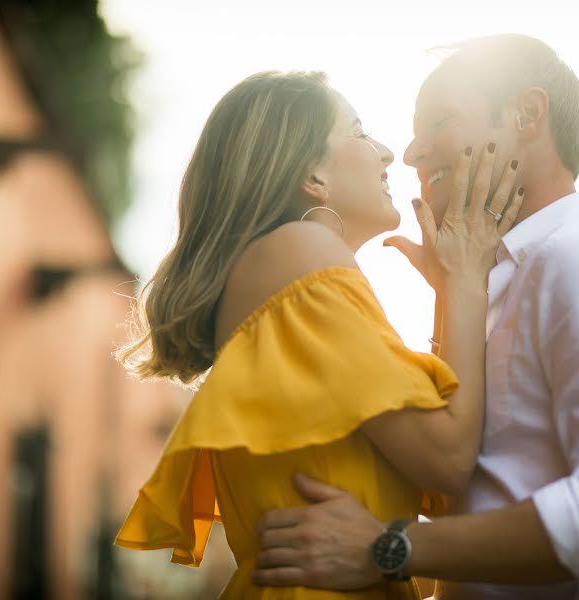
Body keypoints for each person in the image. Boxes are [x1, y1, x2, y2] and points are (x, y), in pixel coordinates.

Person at [254, 34, 579, 600]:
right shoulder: (499, 287)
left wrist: (389, 546)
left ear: (527, 115)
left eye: (439, 121)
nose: (411, 152)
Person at [113, 69, 523, 599]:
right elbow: (448, 459)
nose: (386, 153)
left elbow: (435, 489)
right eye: (358, 132)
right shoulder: (303, 250)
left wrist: (449, 294)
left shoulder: (284, 272)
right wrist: (465, 283)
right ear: (313, 177)